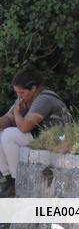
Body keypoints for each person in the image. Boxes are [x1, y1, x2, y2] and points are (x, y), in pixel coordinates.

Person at [0, 68, 69, 198]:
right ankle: (8, 181)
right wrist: (14, 113)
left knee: (9, 135)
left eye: (21, 92)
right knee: (2, 134)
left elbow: (25, 127)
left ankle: (16, 181)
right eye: (17, 93)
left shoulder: (44, 98)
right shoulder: (25, 99)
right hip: (37, 138)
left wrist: (16, 112)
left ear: (33, 88)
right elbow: (8, 118)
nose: (19, 96)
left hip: (55, 141)